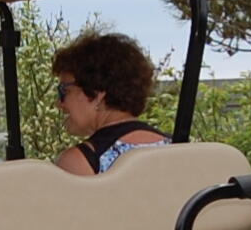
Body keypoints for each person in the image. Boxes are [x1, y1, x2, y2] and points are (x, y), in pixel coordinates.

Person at [49, 31, 169, 177]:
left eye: (64, 91)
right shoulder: (178, 148)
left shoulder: (79, 162)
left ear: (97, 93)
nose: (59, 103)